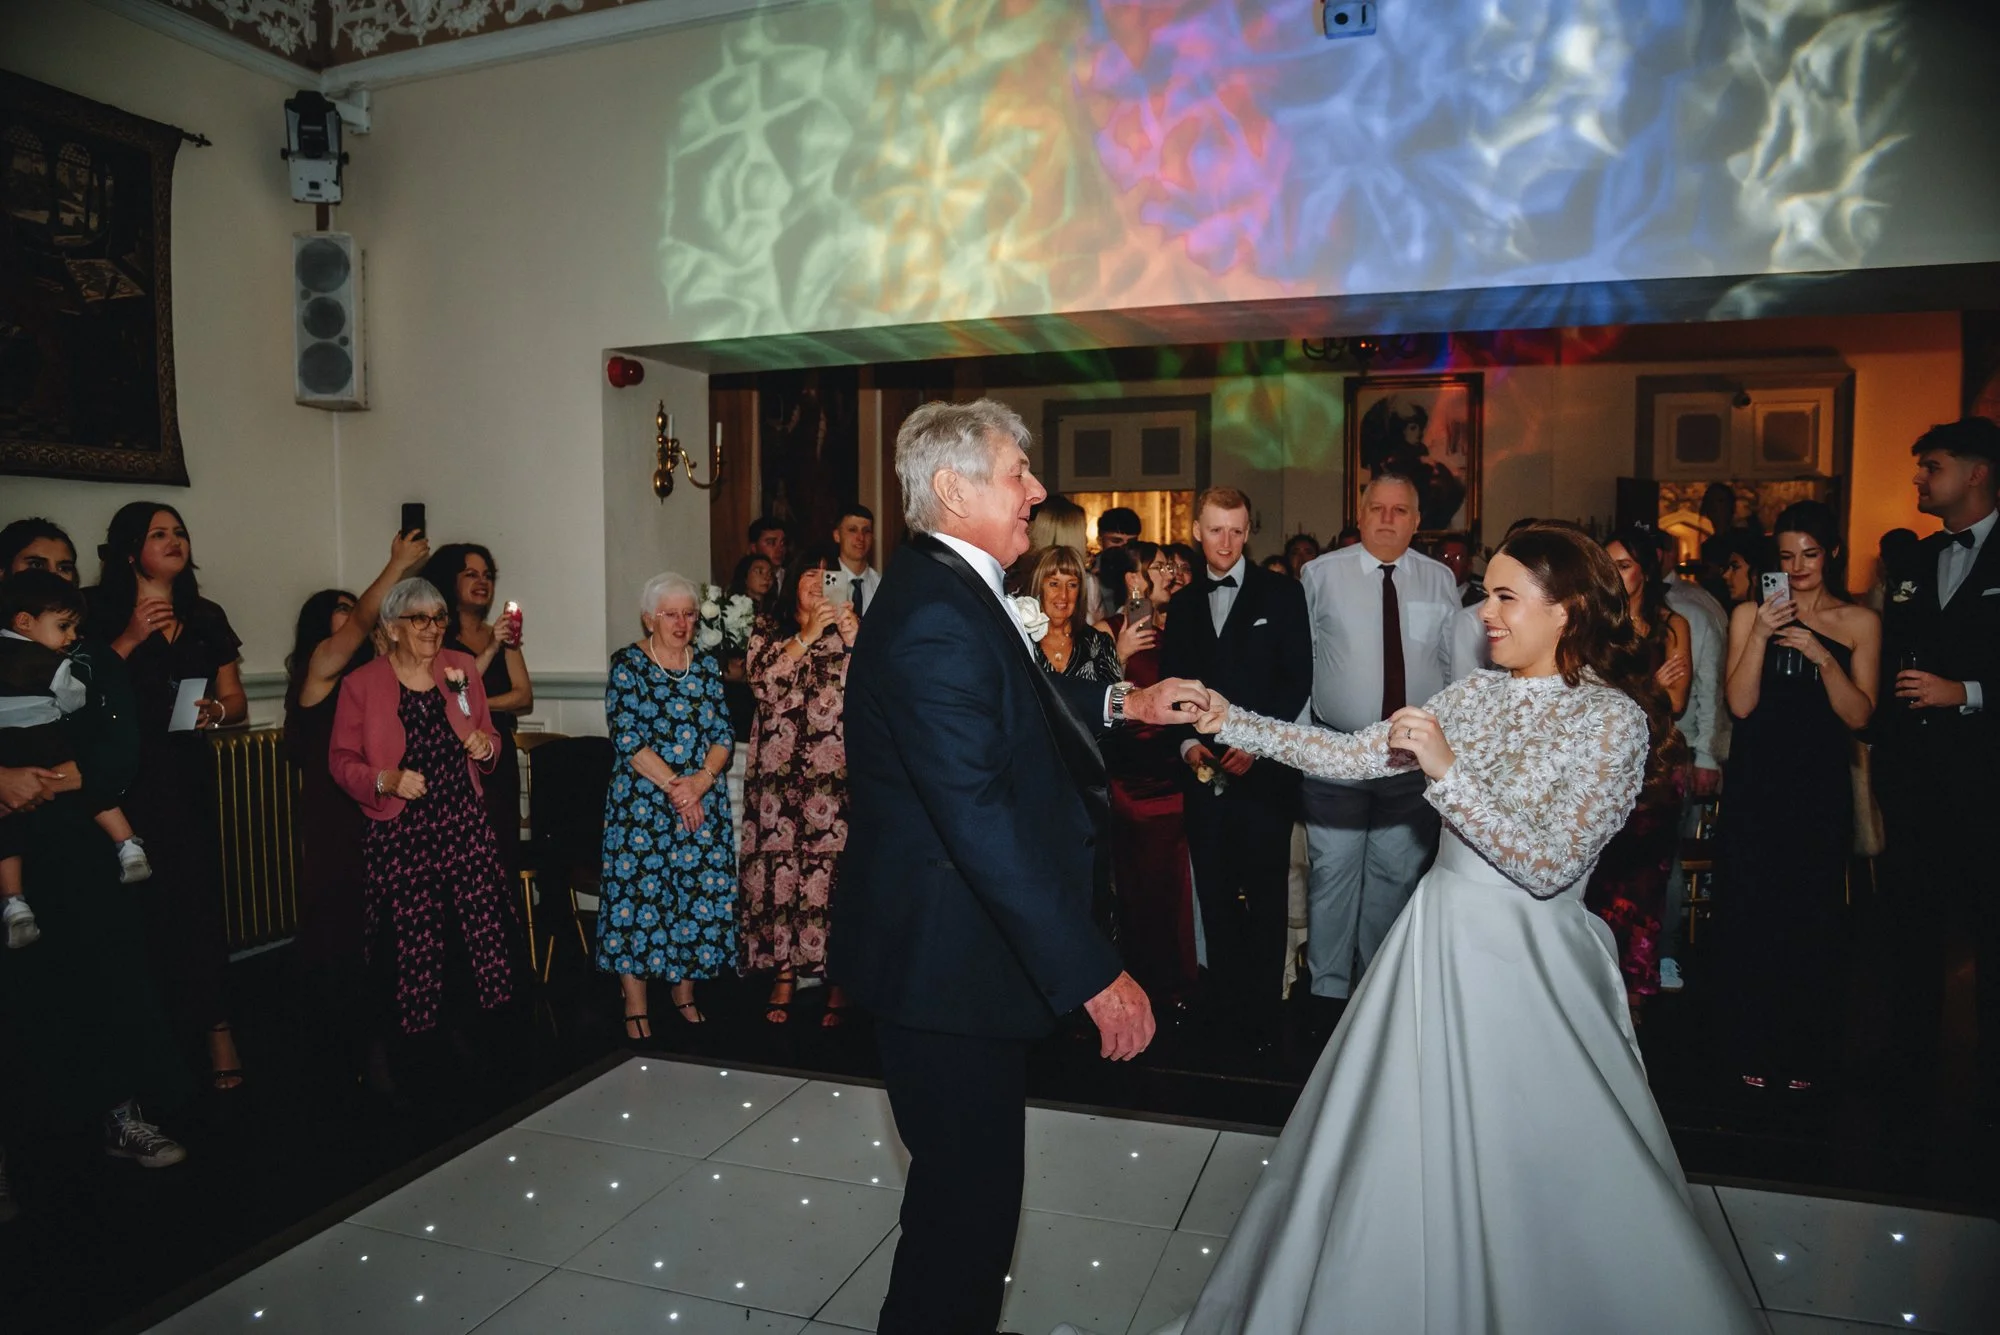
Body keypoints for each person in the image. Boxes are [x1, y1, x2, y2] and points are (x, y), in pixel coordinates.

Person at [1155, 523, 1763, 1335]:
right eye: (1487, 595)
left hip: (1534, 970)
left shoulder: (1612, 722)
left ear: (1569, 608)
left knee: (1542, 1167)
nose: (1486, 615)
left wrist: (1448, 771)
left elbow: (1548, 866)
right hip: (1437, 948)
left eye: (1507, 597)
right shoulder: (1473, 695)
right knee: (1400, 1158)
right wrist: (1231, 717)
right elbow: (1350, 755)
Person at [836, 398, 1200, 1335]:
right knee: (963, 1218)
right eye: (1017, 474)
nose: (1038, 491)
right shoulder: (932, 616)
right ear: (953, 489)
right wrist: (1093, 971)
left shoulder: (950, 589)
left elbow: (1027, 696)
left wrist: (1130, 702)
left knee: (969, 1208)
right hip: (942, 969)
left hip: (961, 963)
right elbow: (979, 819)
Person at [0, 525, 191, 1176]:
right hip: (11, 850)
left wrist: (72, 774)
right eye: (36, 565)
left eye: (65, 566)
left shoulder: (88, 657)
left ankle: (120, 1116)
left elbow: (121, 748)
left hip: (79, 842)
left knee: (102, 982)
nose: (56, 575)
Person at [1715, 501, 1878, 1091]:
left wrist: (1821, 659)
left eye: (1809, 553)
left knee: (1813, 920)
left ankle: (1805, 1055)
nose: (1799, 565)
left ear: (1830, 552)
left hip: (1819, 788)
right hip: (1759, 787)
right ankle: (1750, 1048)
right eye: (1786, 556)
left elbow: (1862, 716)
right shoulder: (1746, 616)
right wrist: (1762, 631)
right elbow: (1740, 705)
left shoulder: (1858, 622)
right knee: (1752, 914)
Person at [88, 502, 249, 1091]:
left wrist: (217, 710)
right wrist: (131, 638)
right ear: (131, 549)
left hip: (184, 775)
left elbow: (237, 705)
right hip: (119, 781)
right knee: (136, 915)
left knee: (198, 904)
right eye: (159, 534)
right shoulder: (96, 609)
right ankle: (146, 1048)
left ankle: (217, 1028)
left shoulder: (205, 615)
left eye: (180, 531)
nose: (174, 541)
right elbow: (78, 690)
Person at [1294, 473, 1457, 1028]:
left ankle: (1375, 1002)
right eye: (1377, 508)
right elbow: (1300, 663)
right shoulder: (1319, 575)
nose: (1388, 519)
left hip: (1409, 764)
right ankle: (1326, 1001)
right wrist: (1304, 745)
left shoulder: (1440, 581)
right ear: (1360, 515)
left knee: (1394, 878)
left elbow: (1454, 669)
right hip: (1335, 753)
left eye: (1401, 510)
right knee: (1333, 874)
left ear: (1417, 520)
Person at [1874, 417, 2000, 1118]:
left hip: (1987, 780)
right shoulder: (1916, 559)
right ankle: (1906, 1060)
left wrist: (1970, 693)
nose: (1920, 478)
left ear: (1977, 472)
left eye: (1933, 466)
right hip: (1918, 780)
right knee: (1910, 926)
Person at [328, 579, 519, 1041]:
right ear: (392, 628)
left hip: (462, 822)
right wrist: (385, 780)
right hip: (402, 831)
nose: (433, 628)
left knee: (482, 935)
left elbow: (490, 738)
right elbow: (340, 760)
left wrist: (484, 749)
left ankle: (489, 1039)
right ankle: (417, 1047)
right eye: (420, 619)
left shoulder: (462, 668)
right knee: (415, 945)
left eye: (438, 617)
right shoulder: (362, 683)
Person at [1160, 486, 1313, 1044]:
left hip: (1265, 776)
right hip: (1204, 778)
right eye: (1215, 529)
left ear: (1249, 532)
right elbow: (1171, 686)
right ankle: (1222, 1013)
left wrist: (1260, 741)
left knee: (1268, 899)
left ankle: (1267, 1018)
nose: (1225, 540)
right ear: (1197, 531)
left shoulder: (1283, 594)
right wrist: (1186, 746)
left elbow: (1297, 679)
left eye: (1236, 529)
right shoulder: (1181, 604)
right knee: (1216, 898)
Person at [285, 529, 431, 1085]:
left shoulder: (376, 680)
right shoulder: (319, 671)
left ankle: (389, 1042)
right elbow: (359, 628)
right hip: (336, 819)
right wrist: (395, 566)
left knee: (389, 931)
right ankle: (339, 1050)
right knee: (341, 927)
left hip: (381, 810)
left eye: (355, 611)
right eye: (341, 613)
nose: (353, 621)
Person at [597, 573, 737, 1038]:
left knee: (695, 899)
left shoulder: (708, 667)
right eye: (670, 614)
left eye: (689, 614)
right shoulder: (628, 665)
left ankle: (684, 995)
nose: (682, 622)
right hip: (643, 808)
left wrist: (700, 783)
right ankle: (635, 1003)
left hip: (701, 799)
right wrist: (678, 788)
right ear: (648, 617)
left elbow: (722, 736)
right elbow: (629, 738)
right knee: (637, 901)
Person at [0, 573, 151, 949]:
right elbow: (72, 700)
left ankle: (14, 903)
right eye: (64, 627)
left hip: (6, 749)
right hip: (45, 742)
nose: (71, 637)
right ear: (24, 621)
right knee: (92, 788)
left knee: (7, 832)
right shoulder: (51, 661)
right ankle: (127, 842)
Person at [741, 545, 857, 1026]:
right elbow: (763, 684)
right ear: (794, 580)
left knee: (833, 880)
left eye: (829, 575)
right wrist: (806, 637)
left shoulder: (849, 631)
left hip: (835, 782)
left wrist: (856, 641)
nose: (820, 580)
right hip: (778, 783)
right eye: (812, 572)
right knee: (780, 880)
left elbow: (878, 691)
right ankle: (784, 973)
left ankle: (838, 981)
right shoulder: (769, 630)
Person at [1588, 526, 1694, 1012]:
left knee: (1645, 883)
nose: (1614, 574)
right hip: (1601, 766)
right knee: (1598, 880)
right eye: (1607, 565)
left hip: (1654, 769)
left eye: (1624, 565)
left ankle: (1637, 988)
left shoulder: (1672, 626)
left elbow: (1677, 699)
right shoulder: (1593, 624)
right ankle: (1592, 985)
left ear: (1646, 570)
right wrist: (1648, 684)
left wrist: (1630, 691)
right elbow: (1583, 700)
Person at [1101, 542, 1197, 1000]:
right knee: (1133, 888)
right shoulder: (1105, 629)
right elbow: (1092, 705)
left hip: (1171, 772)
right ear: (1133, 580)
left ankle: (1175, 984)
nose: (1171, 574)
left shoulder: (1179, 627)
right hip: (1127, 777)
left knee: (1173, 885)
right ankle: (1132, 984)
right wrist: (1116, 657)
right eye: (1159, 567)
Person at [422, 544, 533, 879]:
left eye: (487, 575)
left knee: (502, 851)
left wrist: (479, 704)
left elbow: (523, 696)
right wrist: (492, 649)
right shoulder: (436, 635)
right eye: (470, 574)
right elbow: (448, 694)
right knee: (463, 856)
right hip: (457, 753)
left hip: (499, 754)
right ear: (449, 580)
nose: (482, 581)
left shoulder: (499, 632)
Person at [1657, 530, 1731, 992]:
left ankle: (1666, 954)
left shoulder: (1686, 613)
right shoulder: (1598, 618)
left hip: (1668, 754)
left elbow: (1704, 687)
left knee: (1667, 859)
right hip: (1613, 753)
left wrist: (1706, 754)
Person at [1027, 545, 1123, 682]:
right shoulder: (1021, 640)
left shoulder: (1100, 642)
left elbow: (1115, 700)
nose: (1063, 595)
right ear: (1038, 587)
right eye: (1054, 584)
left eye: (1072, 585)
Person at [831, 502, 879, 614]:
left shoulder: (881, 586)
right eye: (852, 530)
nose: (860, 538)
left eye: (866, 531)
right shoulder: (824, 583)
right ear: (837, 535)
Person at [727, 551, 779, 619]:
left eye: (770, 574)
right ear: (745, 576)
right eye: (760, 572)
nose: (767, 578)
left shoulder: (775, 611)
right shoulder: (731, 611)